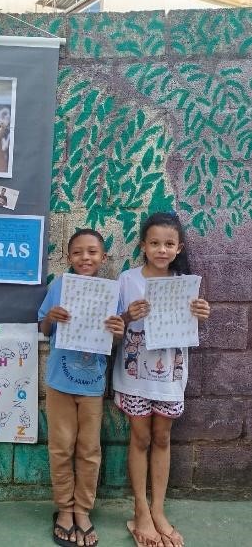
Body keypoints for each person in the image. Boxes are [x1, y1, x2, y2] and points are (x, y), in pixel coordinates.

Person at [114, 213, 210, 547]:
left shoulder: (184, 283)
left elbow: (190, 325)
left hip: (170, 376)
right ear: (143, 245)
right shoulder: (127, 280)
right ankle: (140, 510)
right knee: (140, 438)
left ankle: (158, 509)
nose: (161, 250)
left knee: (162, 438)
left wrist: (200, 314)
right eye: (154, 243)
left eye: (169, 244)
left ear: (179, 247)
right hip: (135, 376)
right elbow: (113, 327)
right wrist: (128, 316)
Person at [38, 228, 125, 547]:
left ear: (103, 257)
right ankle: (64, 509)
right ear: (68, 256)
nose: (85, 258)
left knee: (89, 449)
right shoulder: (59, 286)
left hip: (92, 385)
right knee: (61, 447)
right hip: (59, 382)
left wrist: (118, 331)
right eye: (77, 252)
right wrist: (51, 317)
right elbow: (43, 328)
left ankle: (83, 510)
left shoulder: (112, 292)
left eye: (92, 252)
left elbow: (114, 341)